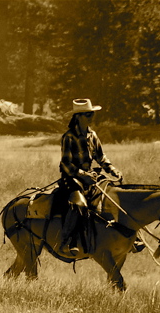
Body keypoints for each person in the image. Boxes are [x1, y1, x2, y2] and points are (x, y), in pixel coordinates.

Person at [58, 99, 121, 254]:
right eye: (88, 114)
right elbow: (66, 163)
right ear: (78, 117)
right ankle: (69, 241)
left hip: (91, 178)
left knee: (114, 198)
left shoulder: (92, 135)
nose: (91, 117)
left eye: (92, 114)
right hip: (71, 179)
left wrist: (112, 169)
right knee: (80, 205)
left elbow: (101, 157)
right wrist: (83, 175)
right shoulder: (69, 137)